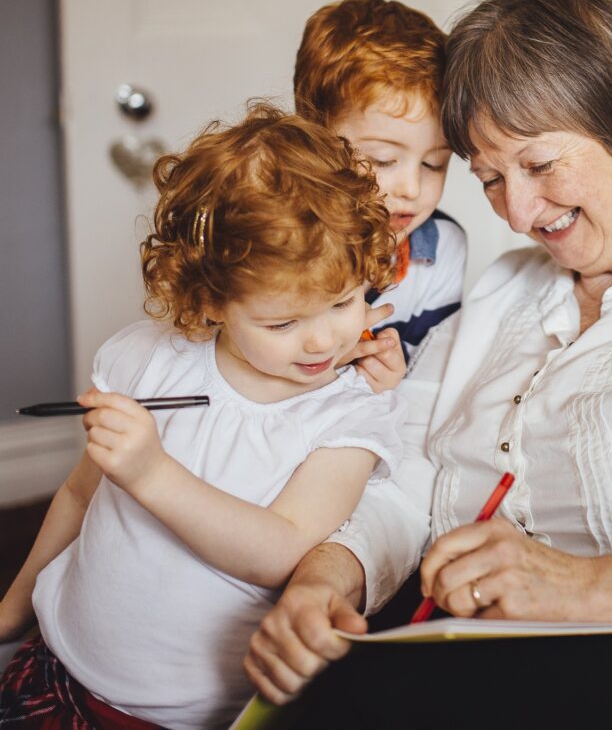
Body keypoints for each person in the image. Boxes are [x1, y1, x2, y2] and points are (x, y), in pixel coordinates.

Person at [245, 0, 612, 727]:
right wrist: (325, 577)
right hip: (458, 656)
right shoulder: (505, 290)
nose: (518, 212)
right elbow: (410, 476)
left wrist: (590, 586)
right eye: (491, 179)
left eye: (540, 165)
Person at [0, 102, 408, 730]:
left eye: (344, 302)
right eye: (282, 322)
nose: (323, 341)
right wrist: (14, 606)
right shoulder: (149, 358)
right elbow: (82, 495)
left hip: (180, 717)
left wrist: (153, 474)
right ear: (212, 299)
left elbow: (281, 549)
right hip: (57, 663)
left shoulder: (348, 415)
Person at [294, 0, 467, 362]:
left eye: (434, 164)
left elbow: (426, 385)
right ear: (314, 139)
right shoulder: (269, 239)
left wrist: (388, 388)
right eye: (383, 160)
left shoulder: (440, 250)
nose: (411, 189)